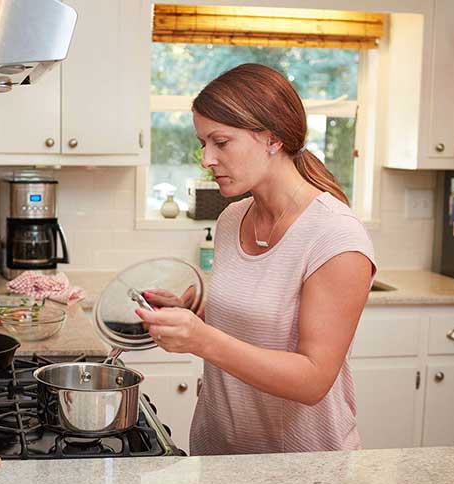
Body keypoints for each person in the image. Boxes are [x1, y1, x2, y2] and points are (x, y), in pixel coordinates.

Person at [136, 64, 376, 455]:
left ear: (272, 139)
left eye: (221, 142)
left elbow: (313, 381)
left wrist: (200, 339)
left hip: (301, 468)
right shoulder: (233, 218)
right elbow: (253, 328)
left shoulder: (335, 236)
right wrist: (190, 316)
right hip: (218, 453)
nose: (206, 159)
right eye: (203, 143)